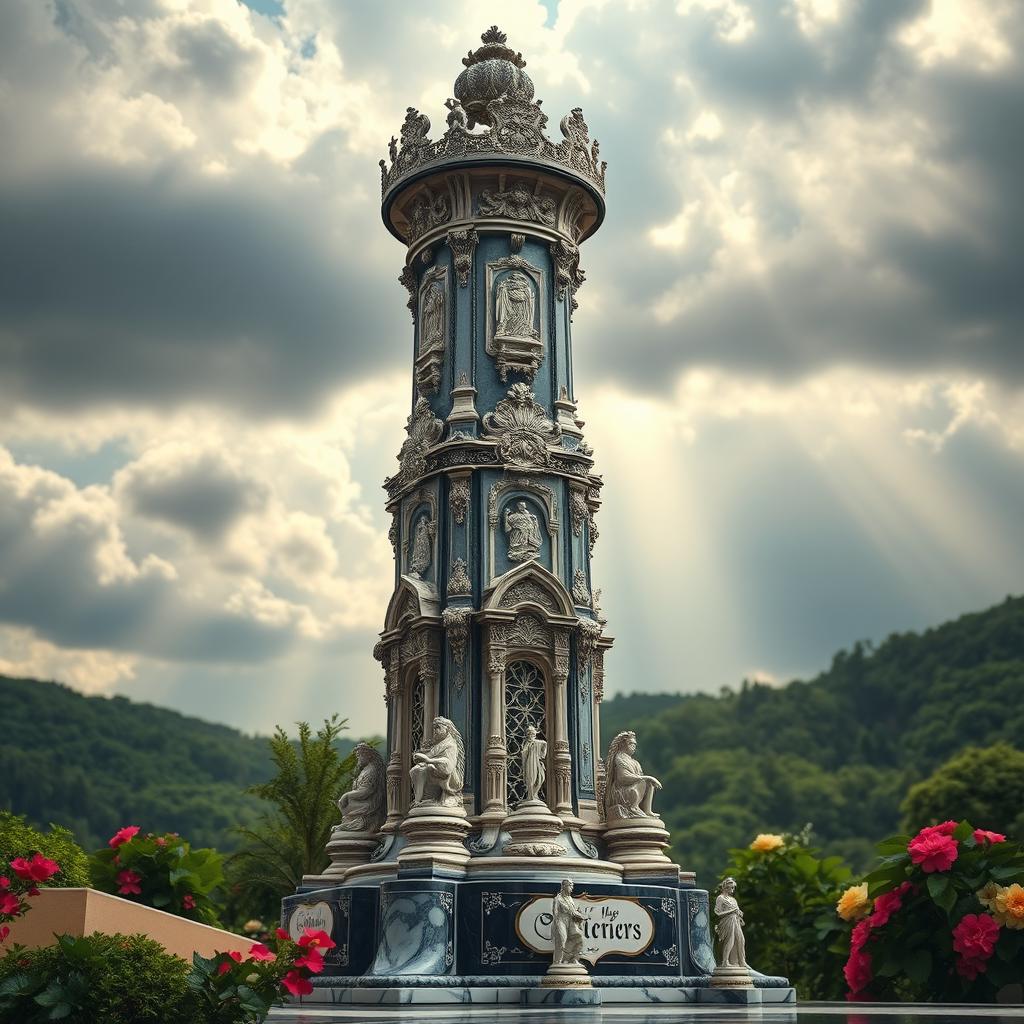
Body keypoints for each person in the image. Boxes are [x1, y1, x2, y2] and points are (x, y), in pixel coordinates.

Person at [603, 730, 662, 820]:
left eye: (635, 745)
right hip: (621, 790)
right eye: (631, 744)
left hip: (632, 787)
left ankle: (647, 810)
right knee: (644, 780)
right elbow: (622, 778)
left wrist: (647, 779)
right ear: (622, 745)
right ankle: (633, 808)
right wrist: (647, 777)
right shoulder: (619, 758)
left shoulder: (635, 762)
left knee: (649, 783)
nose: (634, 747)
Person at [410, 716, 465, 807]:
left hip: (449, 777)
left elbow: (449, 766)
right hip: (438, 770)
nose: (435, 731)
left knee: (422, 769)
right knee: (415, 770)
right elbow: (430, 754)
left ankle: (422, 799)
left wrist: (429, 761)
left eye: (438, 728)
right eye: (434, 728)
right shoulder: (440, 744)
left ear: (447, 729)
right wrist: (419, 756)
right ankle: (420, 800)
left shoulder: (450, 745)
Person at [336, 743, 386, 833]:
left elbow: (366, 791)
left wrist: (347, 795)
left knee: (346, 803)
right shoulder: (365, 770)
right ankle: (351, 821)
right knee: (344, 803)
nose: (358, 758)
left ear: (368, 755)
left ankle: (358, 822)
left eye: (359, 756)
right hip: (363, 801)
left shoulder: (372, 770)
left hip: (370, 804)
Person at [714, 877, 748, 968]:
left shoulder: (733, 900)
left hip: (736, 921)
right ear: (725, 887)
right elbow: (718, 913)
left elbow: (737, 911)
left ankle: (742, 961)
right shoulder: (720, 898)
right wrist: (732, 911)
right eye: (731, 887)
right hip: (727, 922)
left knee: (741, 940)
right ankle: (725, 961)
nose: (732, 889)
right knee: (730, 940)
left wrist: (739, 913)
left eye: (733, 887)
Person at [551, 878, 585, 965]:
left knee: (579, 938)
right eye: (570, 886)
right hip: (561, 920)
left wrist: (578, 914)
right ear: (564, 886)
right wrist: (557, 925)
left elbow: (573, 910)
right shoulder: (557, 899)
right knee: (562, 940)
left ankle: (573, 959)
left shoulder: (570, 898)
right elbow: (555, 913)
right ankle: (557, 961)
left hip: (571, 921)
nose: (572, 888)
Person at [520, 725, 547, 803]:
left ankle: (535, 794)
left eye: (532, 733)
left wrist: (542, 755)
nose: (530, 735)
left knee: (541, 778)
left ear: (535, 734)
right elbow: (524, 753)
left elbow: (544, 744)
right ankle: (531, 795)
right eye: (529, 734)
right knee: (531, 778)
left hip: (537, 762)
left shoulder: (537, 742)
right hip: (530, 762)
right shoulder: (527, 743)